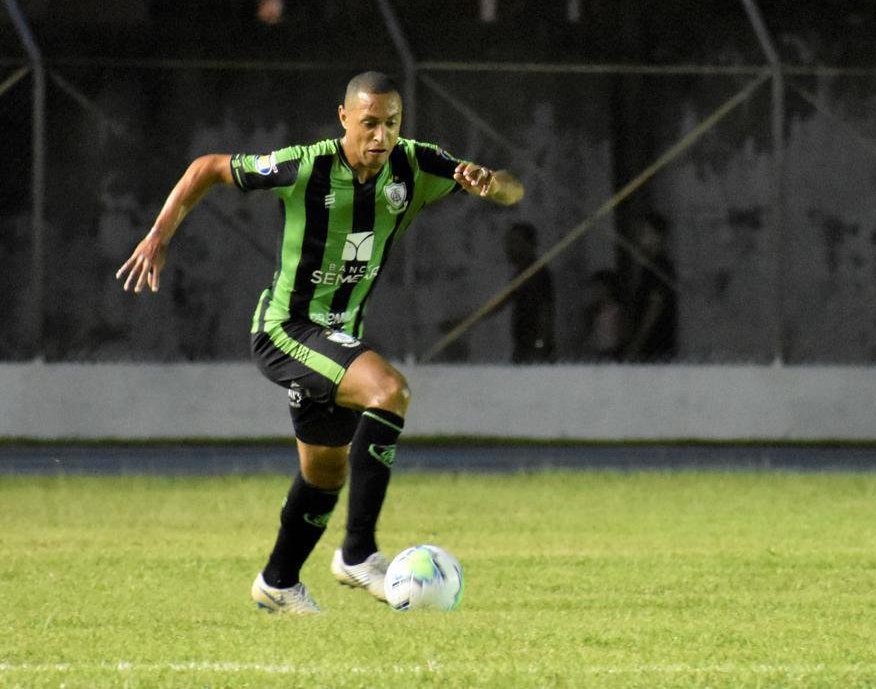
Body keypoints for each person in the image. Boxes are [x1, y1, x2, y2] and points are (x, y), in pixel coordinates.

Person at [116, 71, 523, 614]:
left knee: (325, 472)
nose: (381, 136)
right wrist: (158, 235)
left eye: (392, 124)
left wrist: (490, 183)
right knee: (389, 391)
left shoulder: (417, 164)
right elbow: (207, 167)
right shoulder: (307, 165)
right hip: (286, 329)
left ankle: (277, 583)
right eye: (369, 123)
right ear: (344, 118)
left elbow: (512, 191)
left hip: (337, 337)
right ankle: (358, 554)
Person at [624, 211, 678, 361]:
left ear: (658, 235)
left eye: (645, 232)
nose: (640, 237)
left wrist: (637, 343)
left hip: (657, 343)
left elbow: (654, 307)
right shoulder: (648, 266)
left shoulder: (660, 266)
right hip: (652, 344)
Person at [501, 222, 556, 363]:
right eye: (508, 242)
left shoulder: (537, 274)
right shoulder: (522, 274)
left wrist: (540, 345)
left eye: (515, 242)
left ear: (530, 244)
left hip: (534, 352)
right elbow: (500, 303)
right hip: (525, 348)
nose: (509, 247)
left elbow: (546, 312)